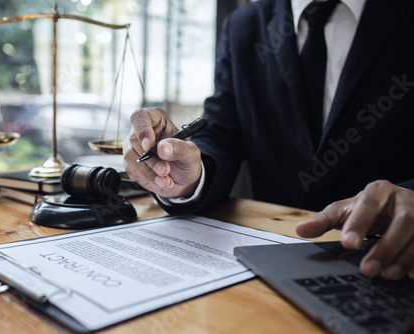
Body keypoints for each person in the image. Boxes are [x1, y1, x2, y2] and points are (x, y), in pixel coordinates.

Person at [123, 0, 414, 280]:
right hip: (264, 262)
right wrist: (189, 176)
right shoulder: (243, 24)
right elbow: (222, 131)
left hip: (389, 258)